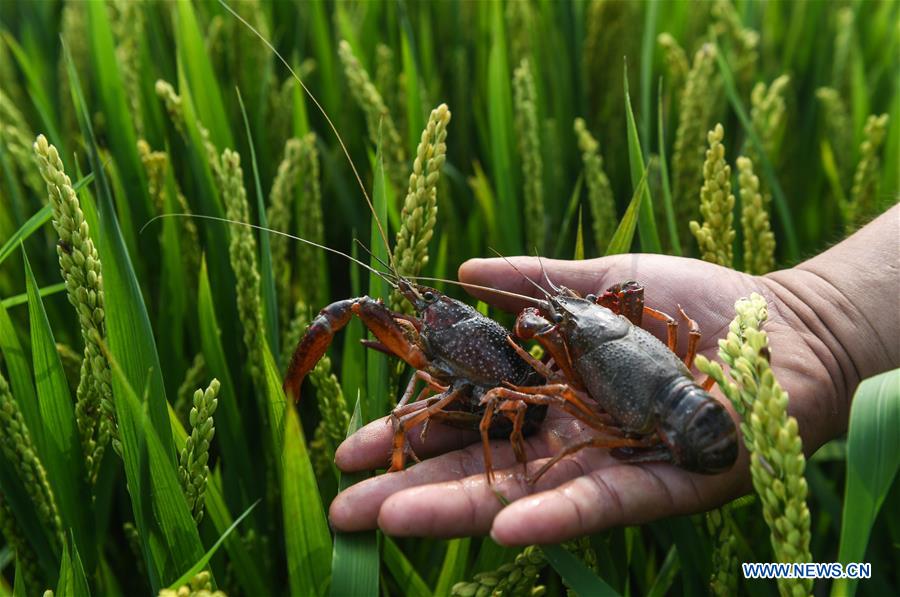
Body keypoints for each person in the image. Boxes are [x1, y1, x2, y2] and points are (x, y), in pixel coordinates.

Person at [328, 204, 899, 546]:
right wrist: (818, 322)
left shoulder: (558, 379)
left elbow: (559, 385)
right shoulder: (650, 336)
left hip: (682, 431)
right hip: (684, 401)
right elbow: (668, 332)